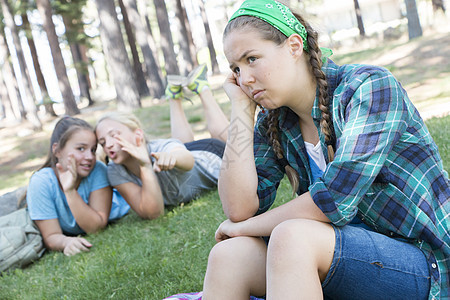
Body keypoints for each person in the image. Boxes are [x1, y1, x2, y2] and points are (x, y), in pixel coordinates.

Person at [201, 1, 450, 299]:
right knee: (229, 255)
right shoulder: (276, 122)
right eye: (236, 69)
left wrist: (245, 228)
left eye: (252, 59)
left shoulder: (368, 87)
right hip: (347, 258)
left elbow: (334, 200)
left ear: (294, 46)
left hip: (423, 262)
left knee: (293, 236)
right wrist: (241, 110)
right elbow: (239, 210)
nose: (245, 79)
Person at [95, 64, 229, 220]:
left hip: (213, 154)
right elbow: (153, 213)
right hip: (186, 156)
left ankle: (202, 89)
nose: (108, 144)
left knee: (236, 146)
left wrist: (173, 158)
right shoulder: (115, 170)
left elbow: (187, 160)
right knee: (182, 146)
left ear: (137, 133)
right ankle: (173, 94)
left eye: (114, 135)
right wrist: (145, 165)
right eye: (102, 142)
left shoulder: (160, 148)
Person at [27, 116, 130, 256]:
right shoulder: (41, 182)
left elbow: (96, 227)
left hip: (121, 207)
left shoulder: (97, 170)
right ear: (57, 151)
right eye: (81, 148)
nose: (89, 157)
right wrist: (66, 242)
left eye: (93, 150)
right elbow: (51, 236)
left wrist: (69, 191)